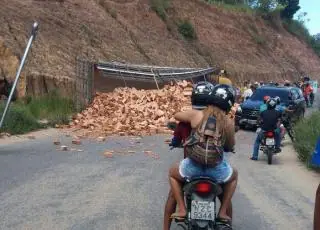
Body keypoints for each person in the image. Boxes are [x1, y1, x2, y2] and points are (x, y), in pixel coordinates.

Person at [166, 84, 237, 229]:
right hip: (216, 171)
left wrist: (188, 117)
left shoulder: (197, 115)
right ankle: (223, 212)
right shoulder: (228, 123)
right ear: (229, 104)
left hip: (192, 168)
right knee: (234, 175)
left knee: (172, 174)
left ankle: (181, 208)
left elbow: (177, 115)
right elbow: (230, 146)